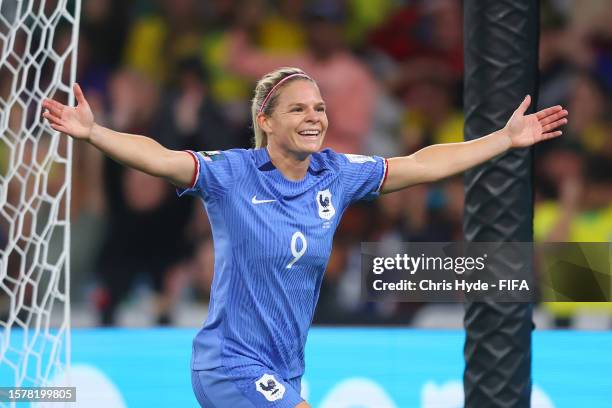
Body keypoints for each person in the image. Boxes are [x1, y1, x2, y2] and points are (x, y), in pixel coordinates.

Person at [42, 67, 568, 408]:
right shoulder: (233, 174)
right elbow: (160, 158)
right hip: (230, 364)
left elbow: (419, 164)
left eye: (319, 108)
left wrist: (502, 140)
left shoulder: (336, 175)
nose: (314, 117)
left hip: (286, 369)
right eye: (298, 109)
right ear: (266, 121)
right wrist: (94, 133)